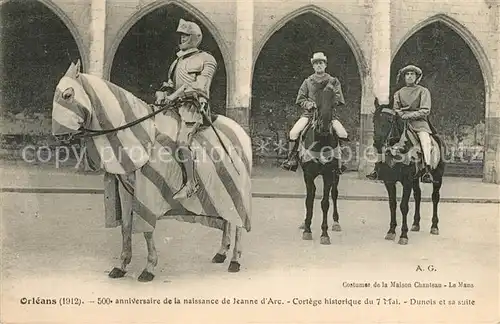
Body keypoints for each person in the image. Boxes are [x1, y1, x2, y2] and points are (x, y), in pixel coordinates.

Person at [155, 18, 217, 199]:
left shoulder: (207, 59)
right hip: (173, 108)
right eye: (180, 36)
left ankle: (191, 183)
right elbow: (170, 83)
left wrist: (174, 96)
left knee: (182, 142)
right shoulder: (177, 61)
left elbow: (201, 86)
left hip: (193, 108)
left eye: (185, 35)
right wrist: (162, 92)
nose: (182, 39)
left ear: (195, 37)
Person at [366, 64, 435, 183]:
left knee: (425, 140)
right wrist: (400, 115)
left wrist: (408, 115)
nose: (409, 76)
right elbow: (396, 108)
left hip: (419, 124)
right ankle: (378, 167)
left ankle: (426, 170)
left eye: (412, 74)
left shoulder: (423, 91)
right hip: (401, 123)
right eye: (407, 74)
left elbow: (425, 110)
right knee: (385, 138)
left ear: (416, 76)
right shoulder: (398, 93)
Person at [281, 52, 349, 172]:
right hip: (310, 115)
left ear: (325, 65)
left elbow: (339, 98)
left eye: (321, 63)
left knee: (342, 133)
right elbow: (300, 98)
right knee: (294, 132)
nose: (319, 65)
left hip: (329, 115)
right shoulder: (307, 82)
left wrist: (328, 103)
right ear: (313, 66)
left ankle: (341, 160)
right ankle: (292, 159)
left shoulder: (333, 81)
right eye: (316, 63)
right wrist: (309, 104)